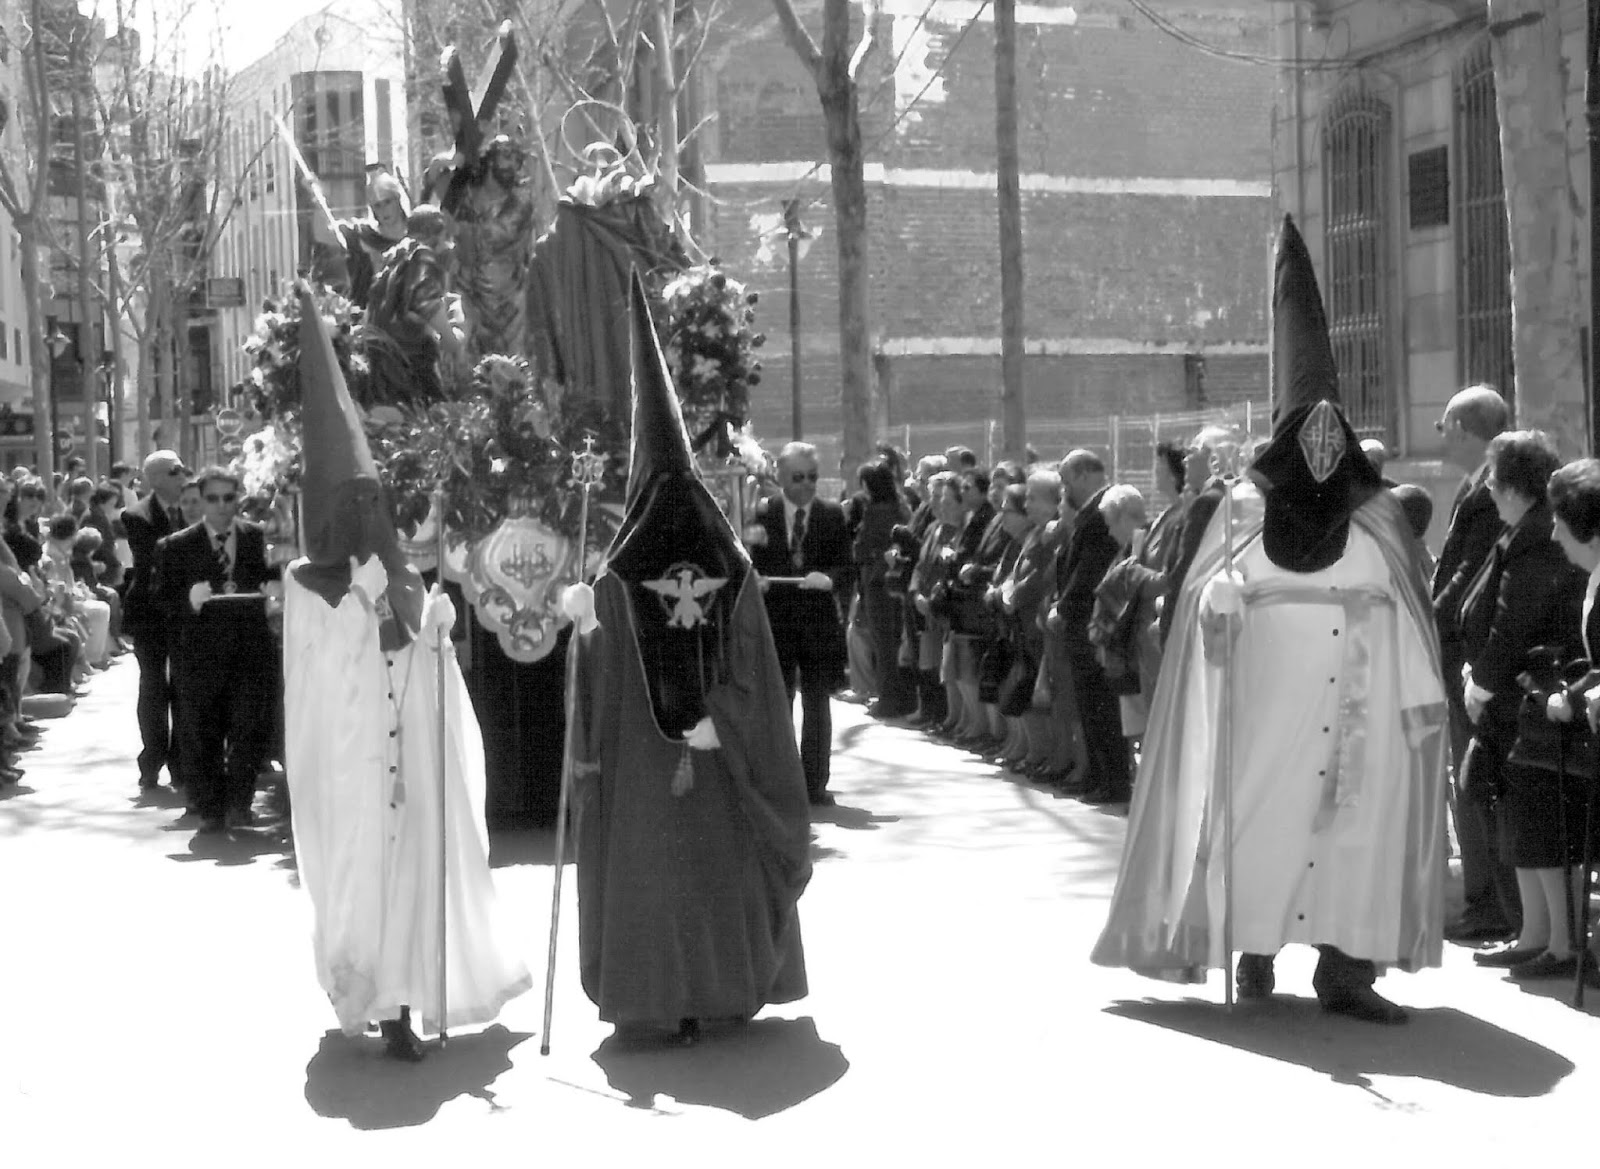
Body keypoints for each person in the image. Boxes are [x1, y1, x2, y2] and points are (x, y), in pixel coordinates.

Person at [1093, 216, 1448, 1024]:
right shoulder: (1240, 514)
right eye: (1305, 439)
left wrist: (1416, 691)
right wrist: (1216, 607)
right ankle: (1252, 945)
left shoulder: (1379, 518)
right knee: (1263, 824)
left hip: (1361, 713)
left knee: (1352, 841)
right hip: (1266, 711)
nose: (1320, 459)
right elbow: (1196, 603)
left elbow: (1411, 606)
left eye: (1332, 441)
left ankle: (1347, 968)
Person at [282, 284, 530, 1061]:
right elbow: (318, 681)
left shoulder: (404, 577)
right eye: (347, 503)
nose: (361, 515)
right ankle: (370, 995)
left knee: (413, 881)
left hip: (408, 765)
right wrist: (356, 609)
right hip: (352, 769)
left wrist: (438, 635)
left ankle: (405, 1005)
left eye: (370, 501)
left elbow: (426, 669)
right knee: (364, 884)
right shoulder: (306, 585)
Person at [563, 273, 810, 1043]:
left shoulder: (616, 577)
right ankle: (720, 986)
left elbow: (596, 691)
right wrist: (723, 722)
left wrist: (584, 631)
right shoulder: (732, 563)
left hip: (646, 768)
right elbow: (758, 676)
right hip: (719, 760)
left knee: (656, 868)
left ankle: (659, 992)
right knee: (713, 867)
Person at [1452, 435, 1588, 980]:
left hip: (1531, 697)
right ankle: (1535, 935)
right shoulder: (1526, 530)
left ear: (1512, 487)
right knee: (1522, 825)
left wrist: (1481, 683)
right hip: (1518, 700)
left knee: (1542, 826)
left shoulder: (1537, 537)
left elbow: (1514, 621)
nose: (1488, 490)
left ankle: (1560, 943)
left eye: (1493, 481)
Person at [1432, 383, 1518, 945]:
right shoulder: (1476, 486)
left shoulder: (1491, 491)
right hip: (1462, 652)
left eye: (1444, 427)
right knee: (1468, 781)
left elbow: (1471, 572)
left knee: (1474, 781)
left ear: (1463, 428)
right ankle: (1485, 900)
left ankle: (1490, 904)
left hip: (1472, 658)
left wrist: (1428, 614)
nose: (1442, 438)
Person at [154, 464, 281, 834]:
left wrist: (276, 590)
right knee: (203, 732)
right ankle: (210, 807)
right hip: (201, 657)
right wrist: (188, 600)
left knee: (248, 729)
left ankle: (240, 803)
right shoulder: (176, 546)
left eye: (229, 497)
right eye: (213, 499)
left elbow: (277, 578)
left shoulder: (259, 538)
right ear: (201, 500)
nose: (222, 506)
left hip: (250, 652)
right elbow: (160, 601)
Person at [750, 441, 853, 807]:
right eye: (798, 477)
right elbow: (746, 559)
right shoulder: (762, 513)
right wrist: (754, 578)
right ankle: (780, 780)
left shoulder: (831, 514)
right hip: (776, 621)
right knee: (779, 703)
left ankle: (814, 782)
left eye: (812, 476)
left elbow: (846, 565)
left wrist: (829, 579)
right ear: (781, 477)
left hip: (816, 623)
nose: (807, 484)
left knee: (817, 703)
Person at [1047, 449, 1127, 803]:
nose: (1064, 490)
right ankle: (1098, 775)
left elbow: (1090, 572)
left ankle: (1111, 780)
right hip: (1080, 623)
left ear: (1082, 476)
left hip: (1091, 622)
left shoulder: (1102, 513)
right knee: (1089, 704)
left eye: (1067, 481)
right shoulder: (1086, 515)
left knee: (1101, 705)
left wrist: (1063, 607)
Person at [122, 449, 188, 792]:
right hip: (149, 612)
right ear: (155, 479)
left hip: (187, 612)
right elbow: (154, 556)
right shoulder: (137, 515)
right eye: (175, 471)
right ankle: (152, 761)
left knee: (185, 687)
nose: (183, 477)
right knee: (153, 686)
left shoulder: (194, 509)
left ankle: (183, 763)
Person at [854, 460, 916, 719]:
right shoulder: (901, 508)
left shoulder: (875, 512)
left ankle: (888, 699)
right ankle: (903, 699)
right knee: (895, 641)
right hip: (894, 582)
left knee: (884, 644)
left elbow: (861, 548)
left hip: (877, 582)